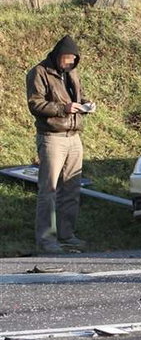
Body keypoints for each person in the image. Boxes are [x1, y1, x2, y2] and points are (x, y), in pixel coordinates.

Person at [26, 35, 93, 254]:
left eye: (74, 59)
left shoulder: (72, 73)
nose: (70, 63)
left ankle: (67, 235)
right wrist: (63, 108)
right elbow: (35, 104)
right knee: (49, 190)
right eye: (67, 59)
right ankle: (46, 240)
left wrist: (85, 105)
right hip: (52, 137)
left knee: (72, 189)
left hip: (74, 136)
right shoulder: (39, 72)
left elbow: (78, 96)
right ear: (57, 56)